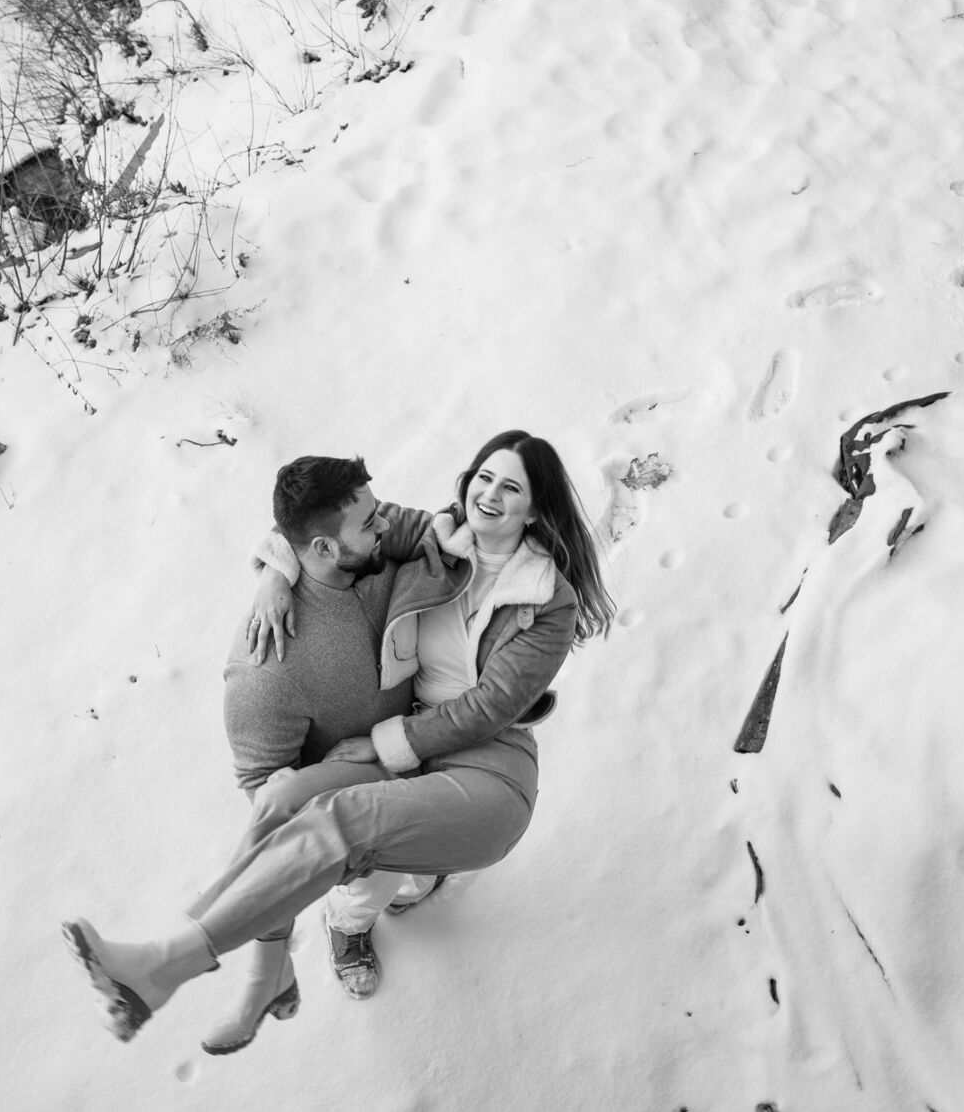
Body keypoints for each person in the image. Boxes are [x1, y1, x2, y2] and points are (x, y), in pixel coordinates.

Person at [62, 431, 614, 1053]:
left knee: (343, 821)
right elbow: (315, 528)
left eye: (510, 486)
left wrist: (385, 741)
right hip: (409, 754)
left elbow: (490, 708)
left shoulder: (549, 600)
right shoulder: (435, 538)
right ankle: (267, 976)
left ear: (536, 510)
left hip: (490, 768)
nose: (488, 494)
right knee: (284, 800)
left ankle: (165, 966)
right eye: (483, 476)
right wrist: (274, 570)